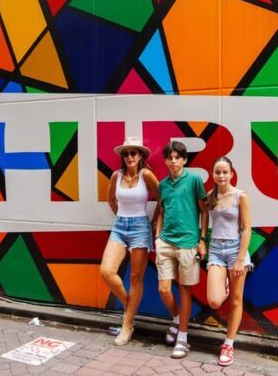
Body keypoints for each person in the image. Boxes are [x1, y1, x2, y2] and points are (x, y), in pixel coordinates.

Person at [100, 137, 160, 346]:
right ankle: (129, 306)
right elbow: (110, 200)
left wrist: (153, 222)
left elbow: (162, 200)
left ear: (141, 155)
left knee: (136, 279)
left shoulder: (147, 175)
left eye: (133, 153)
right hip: (119, 226)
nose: (129, 157)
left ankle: (127, 324)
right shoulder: (117, 175)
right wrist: (121, 216)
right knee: (106, 271)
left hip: (140, 228)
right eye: (125, 154)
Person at [154, 141, 208, 359]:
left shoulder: (194, 180)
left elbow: (204, 211)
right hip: (165, 242)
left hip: (188, 243)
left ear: (184, 159)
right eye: (169, 157)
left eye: (177, 157)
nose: (173, 161)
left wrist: (203, 239)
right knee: (164, 289)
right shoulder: (162, 184)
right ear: (166, 160)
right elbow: (162, 211)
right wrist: (157, 236)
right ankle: (176, 319)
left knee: (185, 290)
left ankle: (183, 339)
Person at [205, 156, 252, 367]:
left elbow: (247, 228)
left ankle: (228, 343)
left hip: (235, 251)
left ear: (231, 173)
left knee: (235, 299)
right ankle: (223, 280)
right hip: (215, 249)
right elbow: (205, 224)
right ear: (213, 175)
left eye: (225, 172)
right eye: (217, 172)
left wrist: (241, 259)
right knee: (215, 300)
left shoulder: (240, 196)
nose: (221, 176)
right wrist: (202, 242)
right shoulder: (210, 197)